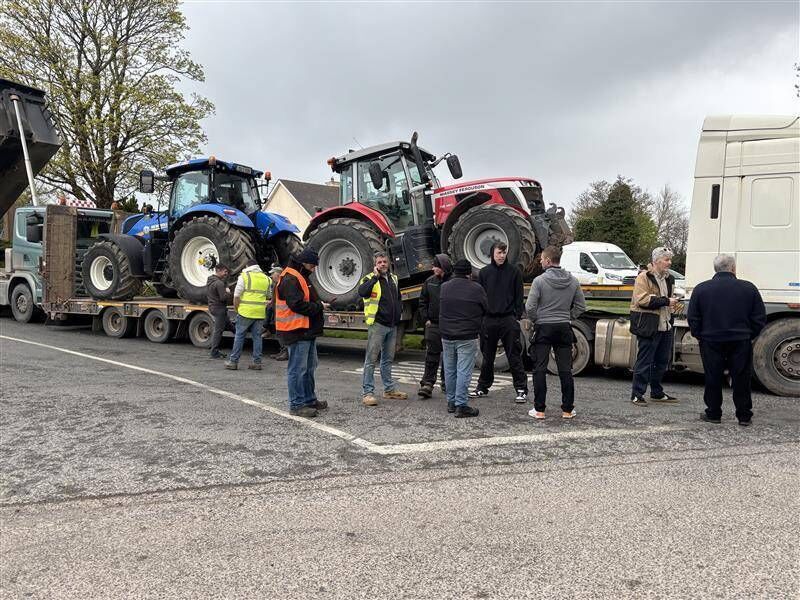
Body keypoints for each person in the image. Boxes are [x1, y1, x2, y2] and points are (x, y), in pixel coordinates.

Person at [688, 254, 766, 426]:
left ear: (715, 269)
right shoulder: (749, 288)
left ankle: (713, 413)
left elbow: (693, 317)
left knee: (713, 377)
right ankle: (744, 416)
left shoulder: (701, 289)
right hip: (740, 340)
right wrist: (749, 335)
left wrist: (700, 335)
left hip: (711, 340)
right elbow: (759, 317)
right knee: (741, 378)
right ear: (733, 268)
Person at [525, 245, 586, 420]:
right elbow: (581, 306)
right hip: (563, 327)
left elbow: (530, 307)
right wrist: (568, 316)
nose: (540, 262)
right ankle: (567, 410)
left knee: (540, 368)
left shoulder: (539, 281)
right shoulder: (573, 281)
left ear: (548, 261)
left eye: (542, 260)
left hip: (544, 327)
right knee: (565, 369)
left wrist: (537, 319)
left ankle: (539, 410)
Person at [472, 242, 528, 403]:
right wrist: (482, 318)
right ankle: (482, 387)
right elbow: (480, 297)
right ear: (492, 254)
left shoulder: (514, 272)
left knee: (514, 356)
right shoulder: (484, 273)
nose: (502, 256)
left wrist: (516, 317)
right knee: (487, 357)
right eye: (499, 253)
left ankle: (521, 389)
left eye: (504, 253)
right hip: (489, 320)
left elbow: (519, 296)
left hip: (508, 319)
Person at [275, 248, 328, 417]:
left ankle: (309, 399)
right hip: (296, 331)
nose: (314, 269)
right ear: (305, 262)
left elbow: (304, 300)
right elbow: (296, 305)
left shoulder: (300, 275)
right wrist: (319, 306)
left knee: (309, 367)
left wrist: (318, 304)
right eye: (313, 265)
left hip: (306, 330)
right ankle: (297, 405)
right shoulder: (291, 278)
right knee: (298, 370)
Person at [629, 247, 680, 406]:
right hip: (649, 326)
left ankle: (656, 392)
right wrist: (666, 301)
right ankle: (637, 394)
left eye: (670, 259)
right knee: (644, 361)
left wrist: (673, 303)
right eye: (666, 259)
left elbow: (664, 299)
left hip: (666, 325)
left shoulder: (670, 278)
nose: (669, 263)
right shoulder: (643, 277)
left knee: (662, 361)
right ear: (656, 261)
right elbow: (642, 300)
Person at [440, 259, 488, 417]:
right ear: (469, 273)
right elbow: (485, 308)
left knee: (450, 370)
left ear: (455, 271)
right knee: (463, 371)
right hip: (467, 335)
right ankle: (461, 405)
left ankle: (451, 402)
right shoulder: (476, 288)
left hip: (447, 335)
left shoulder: (444, 287)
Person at [358, 251, 407, 406]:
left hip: (392, 325)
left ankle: (389, 390)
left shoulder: (394, 279)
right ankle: (367, 393)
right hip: (377, 324)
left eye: (385, 261)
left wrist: (398, 313)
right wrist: (375, 277)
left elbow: (398, 298)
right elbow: (362, 292)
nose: (383, 264)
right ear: (375, 264)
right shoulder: (368, 279)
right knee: (371, 360)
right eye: (379, 262)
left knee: (387, 360)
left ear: (389, 263)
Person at [417, 253, 453, 399]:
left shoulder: (453, 282)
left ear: (443, 267)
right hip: (433, 324)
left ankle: (447, 383)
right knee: (432, 355)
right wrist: (426, 319)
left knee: (449, 356)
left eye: (435, 266)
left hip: (450, 324)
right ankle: (427, 384)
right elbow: (422, 302)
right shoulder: (429, 282)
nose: (433, 269)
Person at [225, 259, 268, 371]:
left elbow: (236, 296)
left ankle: (233, 362)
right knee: (257, 337)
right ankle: (257, 362)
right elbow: (268, 295)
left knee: (239, 336)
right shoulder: (266, 278)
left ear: (247, 266)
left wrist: (237, 309)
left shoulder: (244, 276)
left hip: (245, 312)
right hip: (259, 313)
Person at [206, 264, 232, 359]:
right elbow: (223, 298)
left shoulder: (210, 281)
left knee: (230, 326)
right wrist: (229, 293)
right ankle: (214, 352)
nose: (226, 273)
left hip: (213, 307)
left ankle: (240, 339)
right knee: (218, 331)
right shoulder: (219, 283)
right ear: (219, 271)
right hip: (220, 309)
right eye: (225, 271)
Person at [266, 264, 288, 361]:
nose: (271, 276)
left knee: (282, 333)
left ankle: (286, 352)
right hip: (278, 313)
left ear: (278, 274)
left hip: (282, 314)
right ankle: (282, 351)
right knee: (279, 333)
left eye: (273, 274)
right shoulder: (277, 285)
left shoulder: (282, 285)